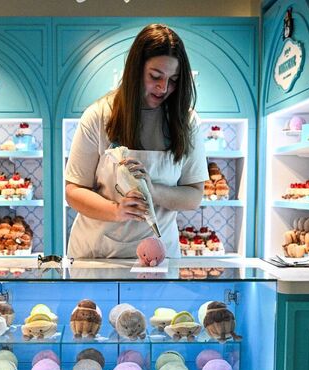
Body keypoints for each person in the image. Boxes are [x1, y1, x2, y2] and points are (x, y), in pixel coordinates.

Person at [65, 23, 207, 259]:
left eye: (173, 80)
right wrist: (117, 210)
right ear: (135, 70)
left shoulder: (186, 122)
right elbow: (73, 191)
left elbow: (194, 196)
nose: (163, 88)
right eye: (155, 76)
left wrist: (153, 192)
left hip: (160, 256)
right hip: (98, 254)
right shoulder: (99, 116)